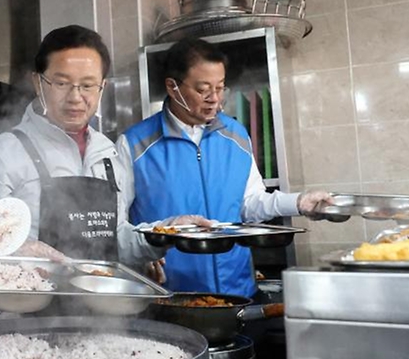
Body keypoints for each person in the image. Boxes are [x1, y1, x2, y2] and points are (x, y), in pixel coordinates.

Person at [0, 25, 202, 270]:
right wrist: (19, 254)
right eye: (62, 83)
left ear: (102, 88)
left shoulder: (107, 154)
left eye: (87, 86)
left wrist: (165, 233)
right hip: (27, 305)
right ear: (38, 83)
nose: (75, 97)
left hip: (99, 305)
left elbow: (112, 239)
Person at [117, 38, 331, 298]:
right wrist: (143, 252)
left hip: (237, 292)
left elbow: (250, 204)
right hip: (170, 297)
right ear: (173, 87)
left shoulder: (236, 135)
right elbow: (116, 227)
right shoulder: (135, 144)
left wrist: (299, 203)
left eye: (220, 88)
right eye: (203, 90)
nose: (215, 99)